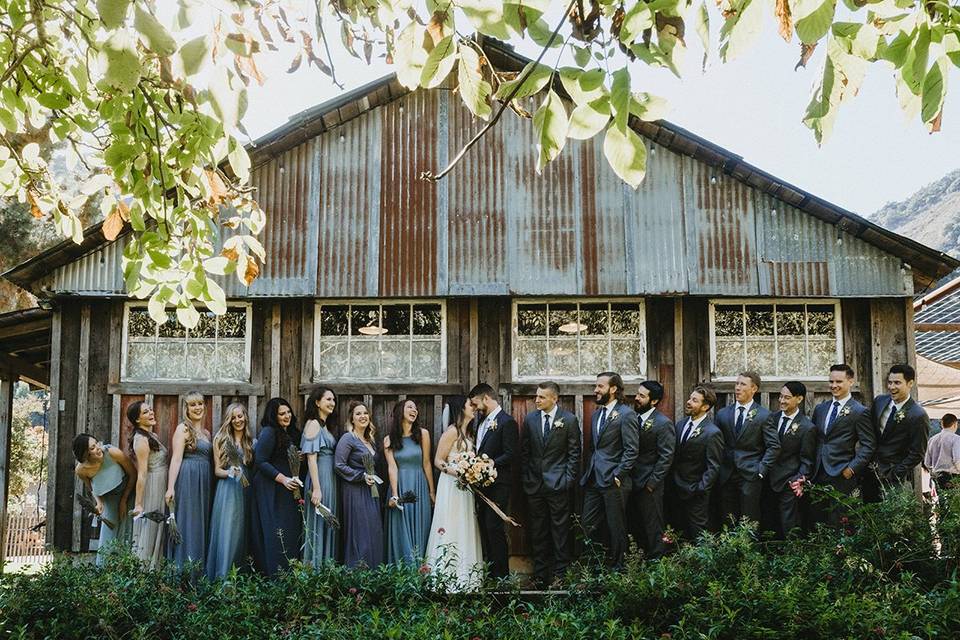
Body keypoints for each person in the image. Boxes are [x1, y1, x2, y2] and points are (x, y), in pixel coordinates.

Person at [520, 381, 581, 587]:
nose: (537, 400)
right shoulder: (530, 420)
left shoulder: (569, 420)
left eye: (542, 397)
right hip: (535, 486)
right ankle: (539, 576)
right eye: (536, 396)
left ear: (554, 398)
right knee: (537, 531)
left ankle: (561, 575)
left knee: (560, 530)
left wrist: (567, 481)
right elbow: (525, 453)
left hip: (559, 486)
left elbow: (574, 454)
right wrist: (528, 478)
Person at [580, 372, 639, 568]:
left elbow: (631, 450)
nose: (595, 390)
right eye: (596, 386)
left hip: (615, 481)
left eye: (600, 386)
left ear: (613, 389)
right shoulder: (597, 414)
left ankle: (619, 569)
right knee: (588, 525)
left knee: (617, 528)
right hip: (593, 479)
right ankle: (594, 568)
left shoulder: (626, 414)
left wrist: (618, 475)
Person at [425, 396, 483, 591]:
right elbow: (438, 461)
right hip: (451, 485)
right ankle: (446, 578)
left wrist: (473, 471)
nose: (474, 408)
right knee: (450, 524)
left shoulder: (469, 434)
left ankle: (467, 579)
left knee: (465, 524)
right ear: (461, 408)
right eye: (470, 405)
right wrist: (458, 471)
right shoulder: (451, 432)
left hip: (465, 488)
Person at [811, 364, 875, 525]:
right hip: (818, 472)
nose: (834, 386)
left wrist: (852, 468)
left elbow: (868, 445)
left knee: (841, 519)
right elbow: (815, 439)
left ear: (850, 381)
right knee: (818, 519)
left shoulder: (859, 411)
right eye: (831, 381)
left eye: (838, 381)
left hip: (842, 473)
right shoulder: (821, 409)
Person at [468, 383, 518, 580]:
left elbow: (511, 454)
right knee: (484, 527)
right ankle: (490, 573)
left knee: (494, 527)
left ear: (486, 398)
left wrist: (490, 463)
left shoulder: (507, 422)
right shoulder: (481, 423)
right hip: (482, 485)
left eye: (475, 403)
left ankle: (501, 576)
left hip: (499, 485)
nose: (474, 408)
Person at [714, 371, 776, 527]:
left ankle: (750, 551)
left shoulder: (763, 415)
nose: (737, 388)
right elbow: (716, 444)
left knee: (749, 518)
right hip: (726, 474)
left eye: (742, 384)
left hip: (751, 474)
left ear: (754, 389)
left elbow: (773, 446)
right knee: (727, 518)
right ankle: (729, 551)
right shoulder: (722, 414)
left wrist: (761, 470)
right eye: (737, 384)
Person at [250, 397, 304, 575]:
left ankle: (289, 573)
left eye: (288, 412)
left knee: (289, 531)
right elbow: (260, 461)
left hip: (287, 491)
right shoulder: (269, 432)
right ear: (274, 416)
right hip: (271, 489)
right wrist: (283, 479)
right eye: (282, 414)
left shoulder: (291, 433)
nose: (287, 416)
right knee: (275, 531)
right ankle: (274, 575)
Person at [863, 364, 930, 502]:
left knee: (892, 519)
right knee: (868, 517)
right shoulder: (880, 401)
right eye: (890, 382)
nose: (892, 387)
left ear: (910, 383)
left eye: (897, 383)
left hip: (893, 478)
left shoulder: (918, 415)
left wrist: (896, 472)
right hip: (869, 472)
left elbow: (917, 453)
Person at [384, 399, 436, 565]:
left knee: (421, 526)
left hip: (419, 486)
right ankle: (402, 573)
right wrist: (394, 495)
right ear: (400, 411)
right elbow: (392, 467)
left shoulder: (423, 434)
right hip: (399, 486)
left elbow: (426, 462)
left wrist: (431, 491)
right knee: (401, 528)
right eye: (410, 407)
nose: (414, 410)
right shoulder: (389, 439)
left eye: (416, 407)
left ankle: (421, 573)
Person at [668, 385, 723, 541]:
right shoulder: (680, 425)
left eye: (694, 400)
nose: (688, 402)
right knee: (679, 529)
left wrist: (700, 489)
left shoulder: (712, 433)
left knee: (698, 531)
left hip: (696, 491)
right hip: (677, 488)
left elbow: (713, 466)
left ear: (705, 407)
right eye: (689, 398)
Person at [627, 380, 675, 559]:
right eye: (637, 394)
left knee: (653, 525)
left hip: (649, 484)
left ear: (654, 401)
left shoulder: (663, 424)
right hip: (631, 482)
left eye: (642, 396)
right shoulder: (632, 418)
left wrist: (652, 484)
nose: (637, 398)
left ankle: (658, 562)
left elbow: (666, 457)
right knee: (635, 524)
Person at [206, 402, 254, 580]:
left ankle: (239, 578)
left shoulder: (250, 441)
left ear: (245, 417)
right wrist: (230, 473)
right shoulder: (220, 439)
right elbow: (217, 470)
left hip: (245, 489)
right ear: (228, 420)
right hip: (227, 489)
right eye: (233, 417)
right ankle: (223, 577)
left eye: (240, 416)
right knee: (227, 530)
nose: (237, 420)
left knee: (242, 531)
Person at [166, 391, 213, 571]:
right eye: (192, 405)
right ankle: (183, 571)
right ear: (186, 408)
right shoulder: (183, 429)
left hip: (204, 481)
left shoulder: (206, 434)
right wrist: (171, 488)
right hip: (188, 479)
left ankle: (198, 569)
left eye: (200, 403)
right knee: (188, 522)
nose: (197, 408)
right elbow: (176, 459)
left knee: (200, 523)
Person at [335, 400, 384, 569]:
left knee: (374, 530)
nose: (363, 416)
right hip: (355, 490)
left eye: (365, 413)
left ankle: (373, 574)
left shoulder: (370, 440)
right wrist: (361, 476)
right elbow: (339, 465)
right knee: (360, 531)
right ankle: (356, 575)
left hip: (372, 490)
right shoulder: (348, 438)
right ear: (352, 419)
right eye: (358, 413)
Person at [73, 433, 135, 565]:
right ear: (85, 454)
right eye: (92, 448)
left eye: (97, 444)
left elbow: (133, 474)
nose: (99, 448)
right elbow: (92, 488)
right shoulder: (81, 470)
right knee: (108, 537)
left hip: (128, 495)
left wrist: (124, 500)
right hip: (109, 502)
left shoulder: (113, 453)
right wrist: (99, 502)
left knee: (128, 532)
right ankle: (104, 573)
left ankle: (130, 570)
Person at [765, 382, 816, 536]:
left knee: (788, 522)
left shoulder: (807, 427)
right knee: (768, 522)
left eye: (787, 398)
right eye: (780, 396)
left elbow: (807, 460)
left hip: (788, 481)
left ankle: (791, 555)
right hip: (767, 479)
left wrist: (798, 479)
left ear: (799, 399)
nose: (781, 401)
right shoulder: (771, 419)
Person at [301, 387, 339, 566]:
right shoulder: (314, 424)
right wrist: (316, 488)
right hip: (320, 479)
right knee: (318, 522)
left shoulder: (324, 425)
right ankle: (314, 570)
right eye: (328, 399)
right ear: (317, 402)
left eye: (333, 400)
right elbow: (311, 458)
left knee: (326, 522)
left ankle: (325, 568)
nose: (332, 403)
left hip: (328, 479)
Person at [128, 401, 168, 567]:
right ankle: (145, 570)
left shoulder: (152, 436)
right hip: (154, 485)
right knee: (151, 527)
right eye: (145, 412)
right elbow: (142, 474)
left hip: (162, 480)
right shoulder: (141, 441)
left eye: (150, 410)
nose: (151, 413)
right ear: (137, 419)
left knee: (160, 527)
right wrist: (138, 504)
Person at [925, 413, 960, 490]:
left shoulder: (932, 439)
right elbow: (957, 461)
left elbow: (927, 463)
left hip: (936, 477)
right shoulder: (956, 439)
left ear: (942, 424)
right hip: (952, 478)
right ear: (955, 424)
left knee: (942, 501)